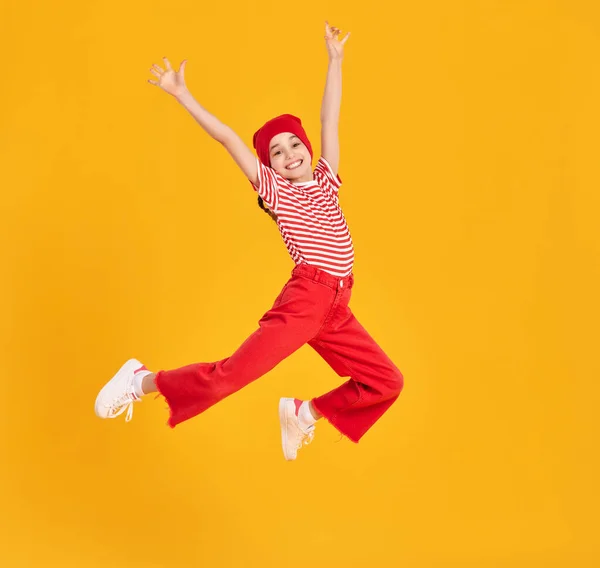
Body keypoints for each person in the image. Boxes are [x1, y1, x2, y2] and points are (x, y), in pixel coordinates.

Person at [94, 22, 404, 461]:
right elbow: (227, 138)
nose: (289, 153)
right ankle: (141, 380)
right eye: (276, 152)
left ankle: (304, 413)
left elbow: (328, 118)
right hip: (307, 298)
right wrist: (183, 96)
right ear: (269, 167)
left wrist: (335, 61)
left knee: (386, 381)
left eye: (294, 144)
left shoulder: (325, 180)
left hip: (337, 306)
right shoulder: (276, 191)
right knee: (228, 378)